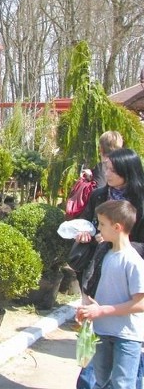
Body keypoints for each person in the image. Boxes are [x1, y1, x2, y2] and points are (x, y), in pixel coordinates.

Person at [76, 148, 144, 389]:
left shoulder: (140, 198)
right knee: (102, 370)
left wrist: (119, 244)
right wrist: (86, 234)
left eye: (113, 170)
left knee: (126, 374)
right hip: (102, 268)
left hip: (130, 275)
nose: (108, 173)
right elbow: (88, 223)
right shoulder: (99, 195)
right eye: (106, 168)